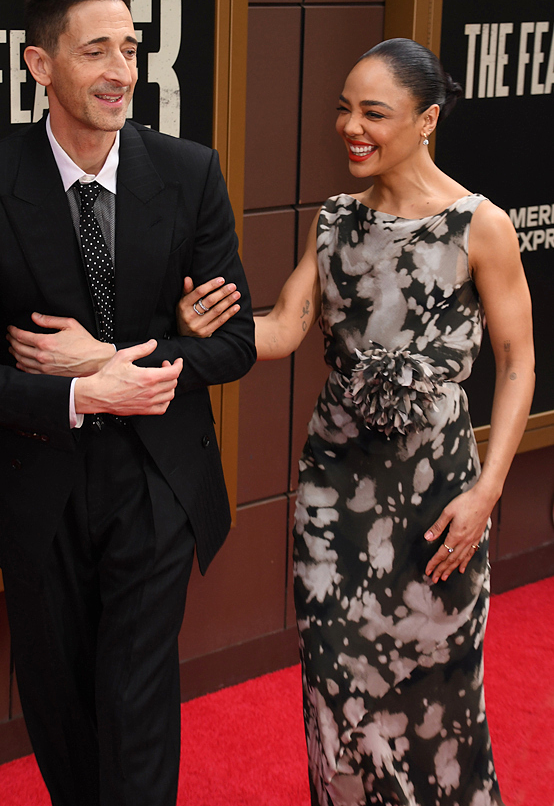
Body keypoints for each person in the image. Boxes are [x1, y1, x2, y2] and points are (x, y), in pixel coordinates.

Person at [0, 0, 256, 806]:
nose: (120, 72)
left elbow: (237, 344)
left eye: (131, 48)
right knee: (62, 704)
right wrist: (83, 391)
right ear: (40, 64)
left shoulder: (190, 174)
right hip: (42, 486)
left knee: (137, 701)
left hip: (157, 479)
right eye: (95, 51)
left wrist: (106, 357)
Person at [177, 39, 534, 805]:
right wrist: (209, 328)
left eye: (374, 111)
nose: (350, 125)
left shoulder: (482, 226)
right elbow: (281, 329)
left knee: (439, 700)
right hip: (333, 498)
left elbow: (518, 364)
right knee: (336, 691)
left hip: (441, 503)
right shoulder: (334, 221)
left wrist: (487, 492)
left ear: (427, 118)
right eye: (344, 107)